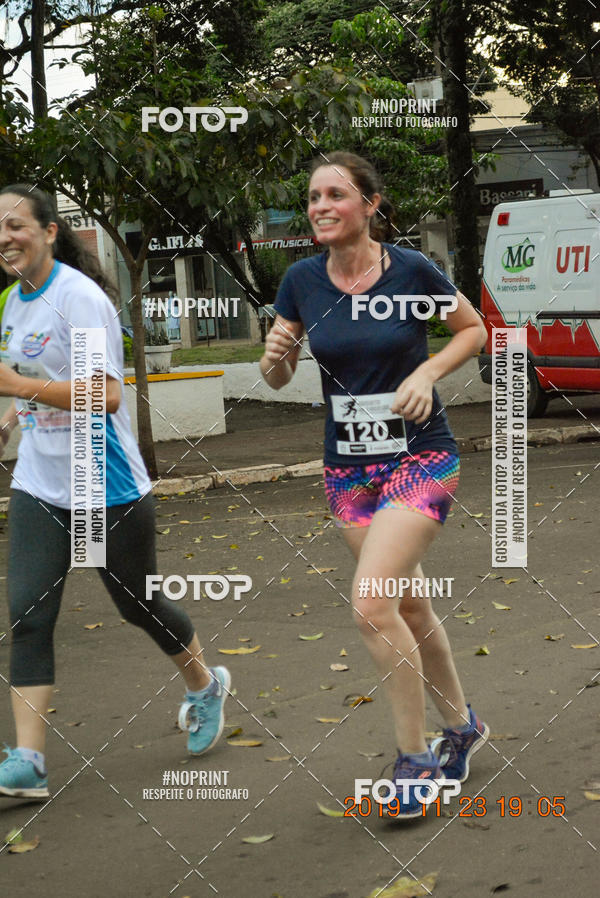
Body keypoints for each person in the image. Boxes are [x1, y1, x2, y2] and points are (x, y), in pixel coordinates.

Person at [260, 151, 490, 819]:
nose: (320, 206)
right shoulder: (300, 281)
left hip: (421, 458)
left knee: (371, 606)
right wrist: (277, 360)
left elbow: (472, 329)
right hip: (347, 471)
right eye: (312, 197)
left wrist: (426, 375)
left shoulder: (412, 270)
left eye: (335, 194)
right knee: (407, 608)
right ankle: (462, 727)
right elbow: (278, 377)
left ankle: (414, 761)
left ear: (370, 204)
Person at [0, 185, 230, 799]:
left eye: (16, 224)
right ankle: (27, 761)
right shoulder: (10, 302)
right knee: (27, 614)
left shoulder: (79, 300)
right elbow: (31, 391)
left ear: (50, 232)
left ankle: (205, 686)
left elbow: (103, 395)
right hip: (40, 485)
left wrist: (17, 386)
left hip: (105, 487)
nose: (4, 237)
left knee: (137, 606)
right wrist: (10, 415)